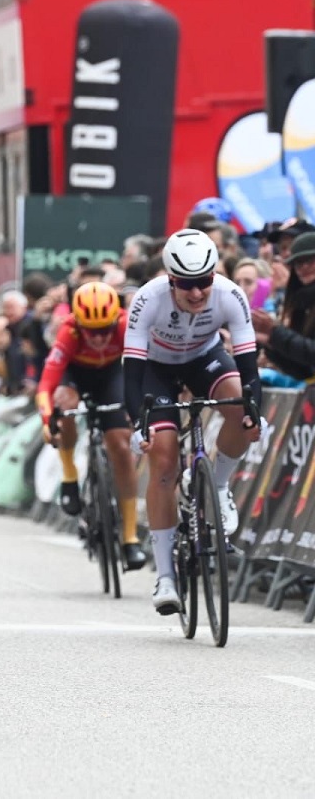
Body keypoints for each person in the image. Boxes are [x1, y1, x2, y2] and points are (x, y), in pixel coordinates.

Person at [123, 229, 262, 615]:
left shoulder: (231, 295)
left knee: (241, 409)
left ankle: (216, 485)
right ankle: (165, 576)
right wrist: (139, 424)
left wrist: (255, 413)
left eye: (204, 282)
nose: (198, 293)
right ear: (171, 279)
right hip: (156, 370)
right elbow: (132, 376)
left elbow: (250, 370)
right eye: (187, 285)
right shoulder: (147, 299)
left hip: (205, 359)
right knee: (164, 462)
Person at [36, 281, 146, 569]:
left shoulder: (124, 325)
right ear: (79, 324)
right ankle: (70, 475)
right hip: (75, 374)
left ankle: (131, 538)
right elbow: (46, 385)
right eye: (91, 332)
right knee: (66, 404)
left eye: (104, 331)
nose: (98, 339)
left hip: (111, 375)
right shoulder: (69, 331)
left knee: (121, 447)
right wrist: (49, 420)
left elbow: (142, 371)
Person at [252, 232, 315, 381]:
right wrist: (271, 343)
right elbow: (305, 373)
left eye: (311, 260)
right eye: (298, 263)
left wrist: (275, 332)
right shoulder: (299, 303)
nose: (304, 267)